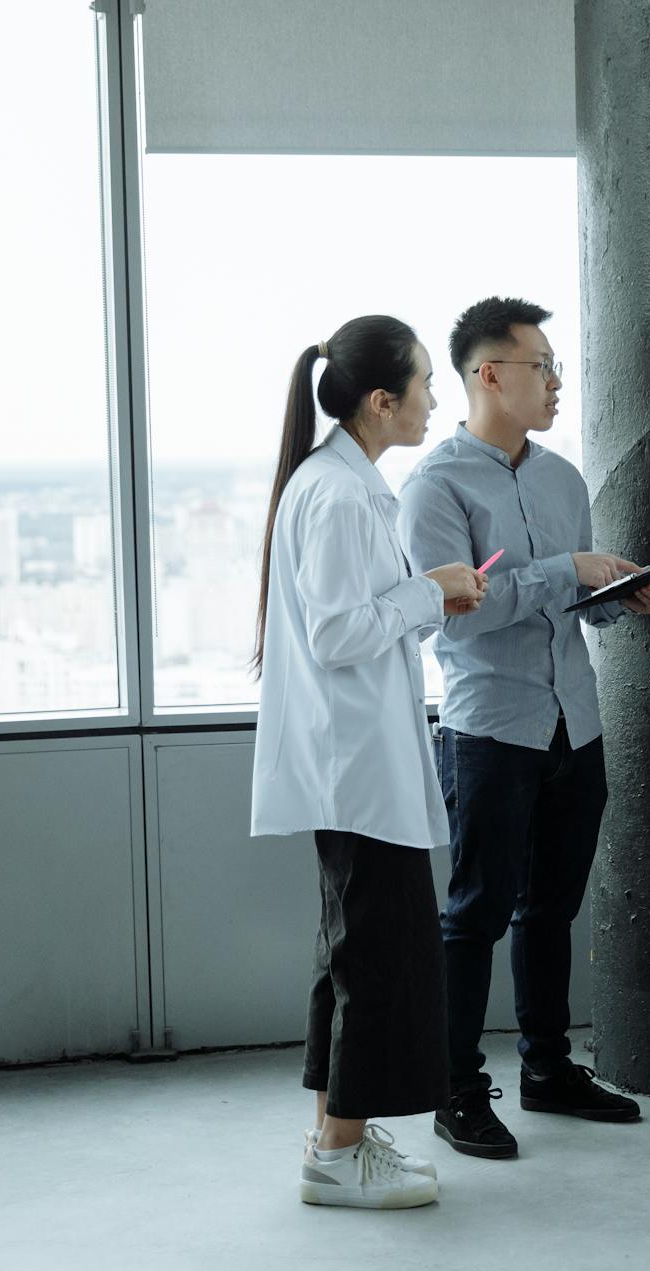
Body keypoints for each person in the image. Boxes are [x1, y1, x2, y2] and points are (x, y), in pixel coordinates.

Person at [399, 296, 650, 1161]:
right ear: (489, 374)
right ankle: (453, 1089)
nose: (558, 383)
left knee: (550, 910)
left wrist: (623, 600)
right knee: (475, 913)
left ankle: (547, 1069)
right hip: (492, 729)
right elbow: (457, 619)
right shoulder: (434, 487)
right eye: (541, 367)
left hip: (574, 724)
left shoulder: (563, 480)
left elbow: (576, 609)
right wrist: (566, 569)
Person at [251, 314, 488, 1209]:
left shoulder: (334, 483)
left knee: (353, 955)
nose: (435, 400)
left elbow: (357, 616)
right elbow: (342, 629)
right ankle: (340, 1155)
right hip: (355, 768)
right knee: (378, 962)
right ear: (382, 402)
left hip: (350, 763)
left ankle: (333, 1140)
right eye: (426, 384)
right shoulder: (343, 495)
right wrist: (430, 591)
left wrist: (428, 600)